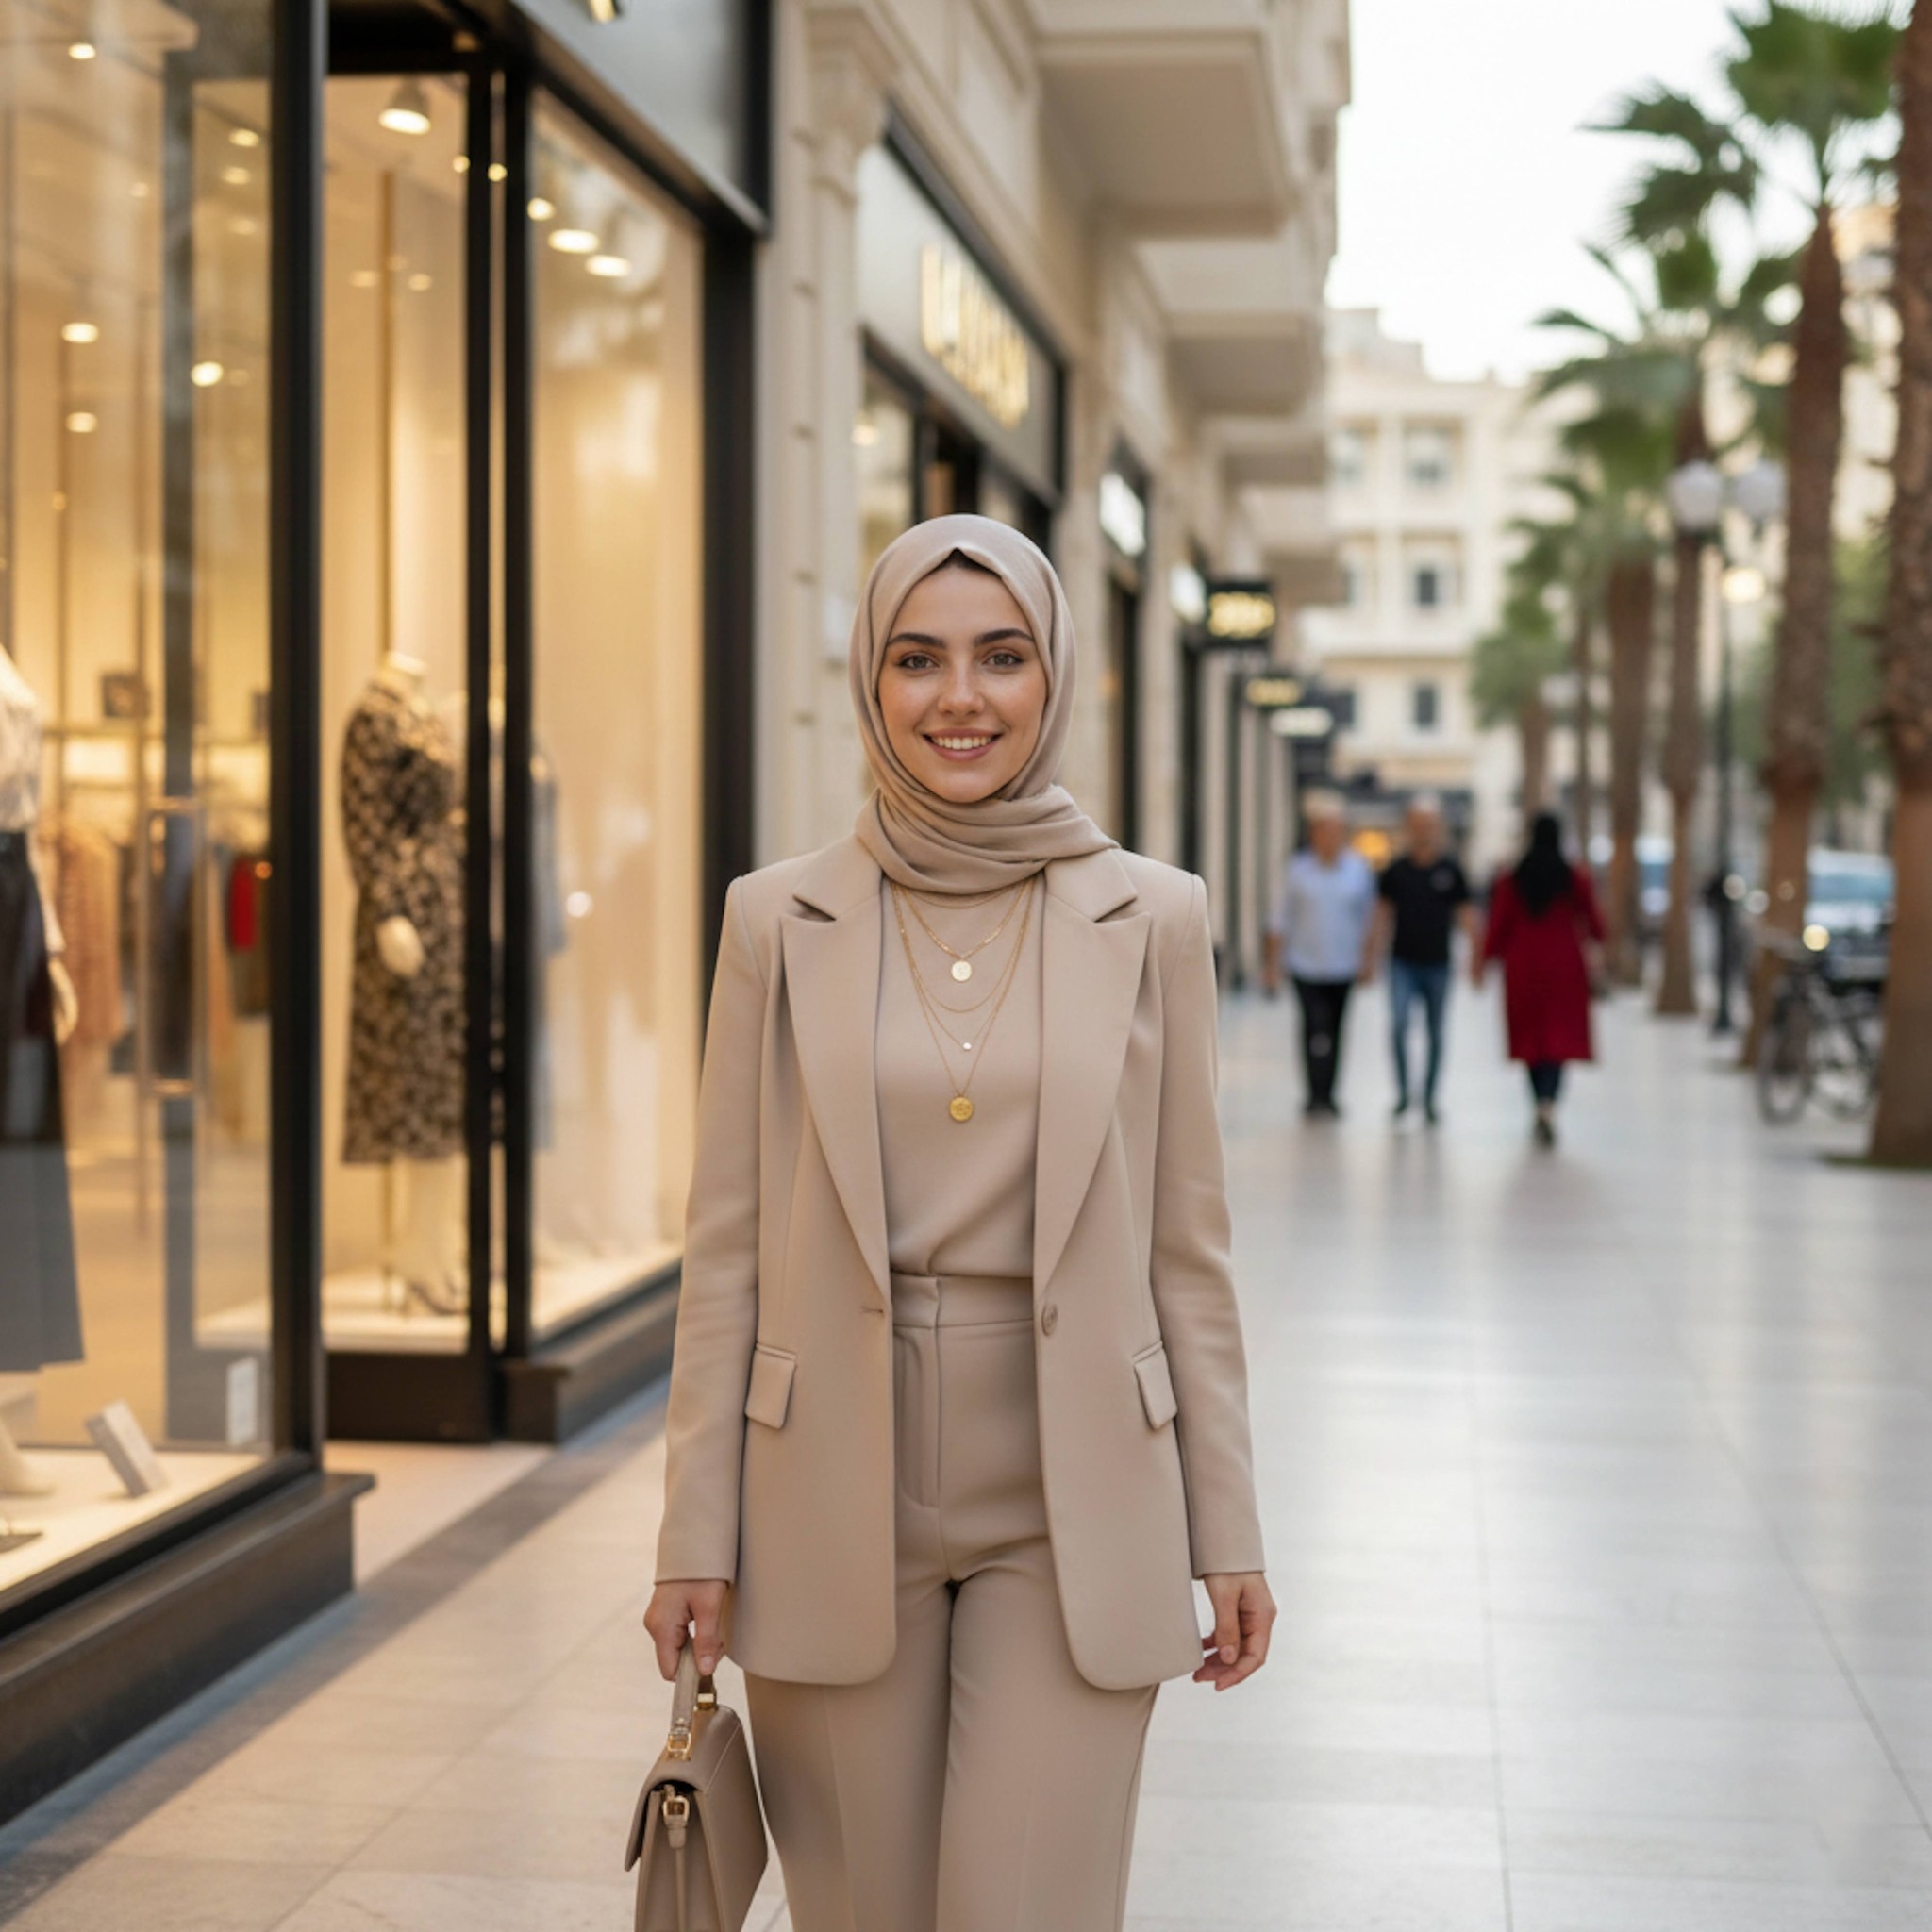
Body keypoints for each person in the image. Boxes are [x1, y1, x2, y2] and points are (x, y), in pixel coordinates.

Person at [644, 516, 1274, 1932]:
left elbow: (1188, 1251)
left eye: (1001, 657)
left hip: (1076, 1488)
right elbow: (726, 1251)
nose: (960, 698)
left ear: (1054, 677)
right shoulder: (774, 919)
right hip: (823, 1484)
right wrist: (693, 1533)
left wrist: (1225, 1527)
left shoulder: (1153, 918)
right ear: (870, 680)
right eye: (918, 659)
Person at [1474, 810, 1605, 1147]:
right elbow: (1595, 922)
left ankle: (1538, 1102)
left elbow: (1499, 923)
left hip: (1524, 966)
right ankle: (1549, 1103)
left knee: (1531, 1040)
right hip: (1564, 966)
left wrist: (1484, 961)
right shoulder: (1573, 877)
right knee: (1558, 1040)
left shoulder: (1512, 878)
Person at [1361, 795, 1476, 1124]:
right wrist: (1369, 958)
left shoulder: (1451, 870)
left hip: (1439, 963)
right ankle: (1403, 1094)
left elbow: (1466, 915)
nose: (1423, 831)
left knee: (1436, 1032)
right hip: (1402, 963)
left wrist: (1476, 958)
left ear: (1438, 828)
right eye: (1417, 825)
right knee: (1398, 1025)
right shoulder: (1396, 871)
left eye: (1428, 825)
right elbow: (1381, 915)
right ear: (1408, 828)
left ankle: (1429, 1097)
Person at [1262, 791, 1375, 1116]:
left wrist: (1369, 961)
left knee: (1336, 1030)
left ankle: (1330, 1094)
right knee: (1313, 1027)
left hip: (1343, 965)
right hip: (1305, 965)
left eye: (1336, 831)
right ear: (1314, 834)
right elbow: (1279, 919)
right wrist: (1273, 965)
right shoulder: (1297, 870)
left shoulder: (1358, 871)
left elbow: (1369, 919)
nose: (1330, 837)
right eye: (1324, 830)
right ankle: (1313, 1093)